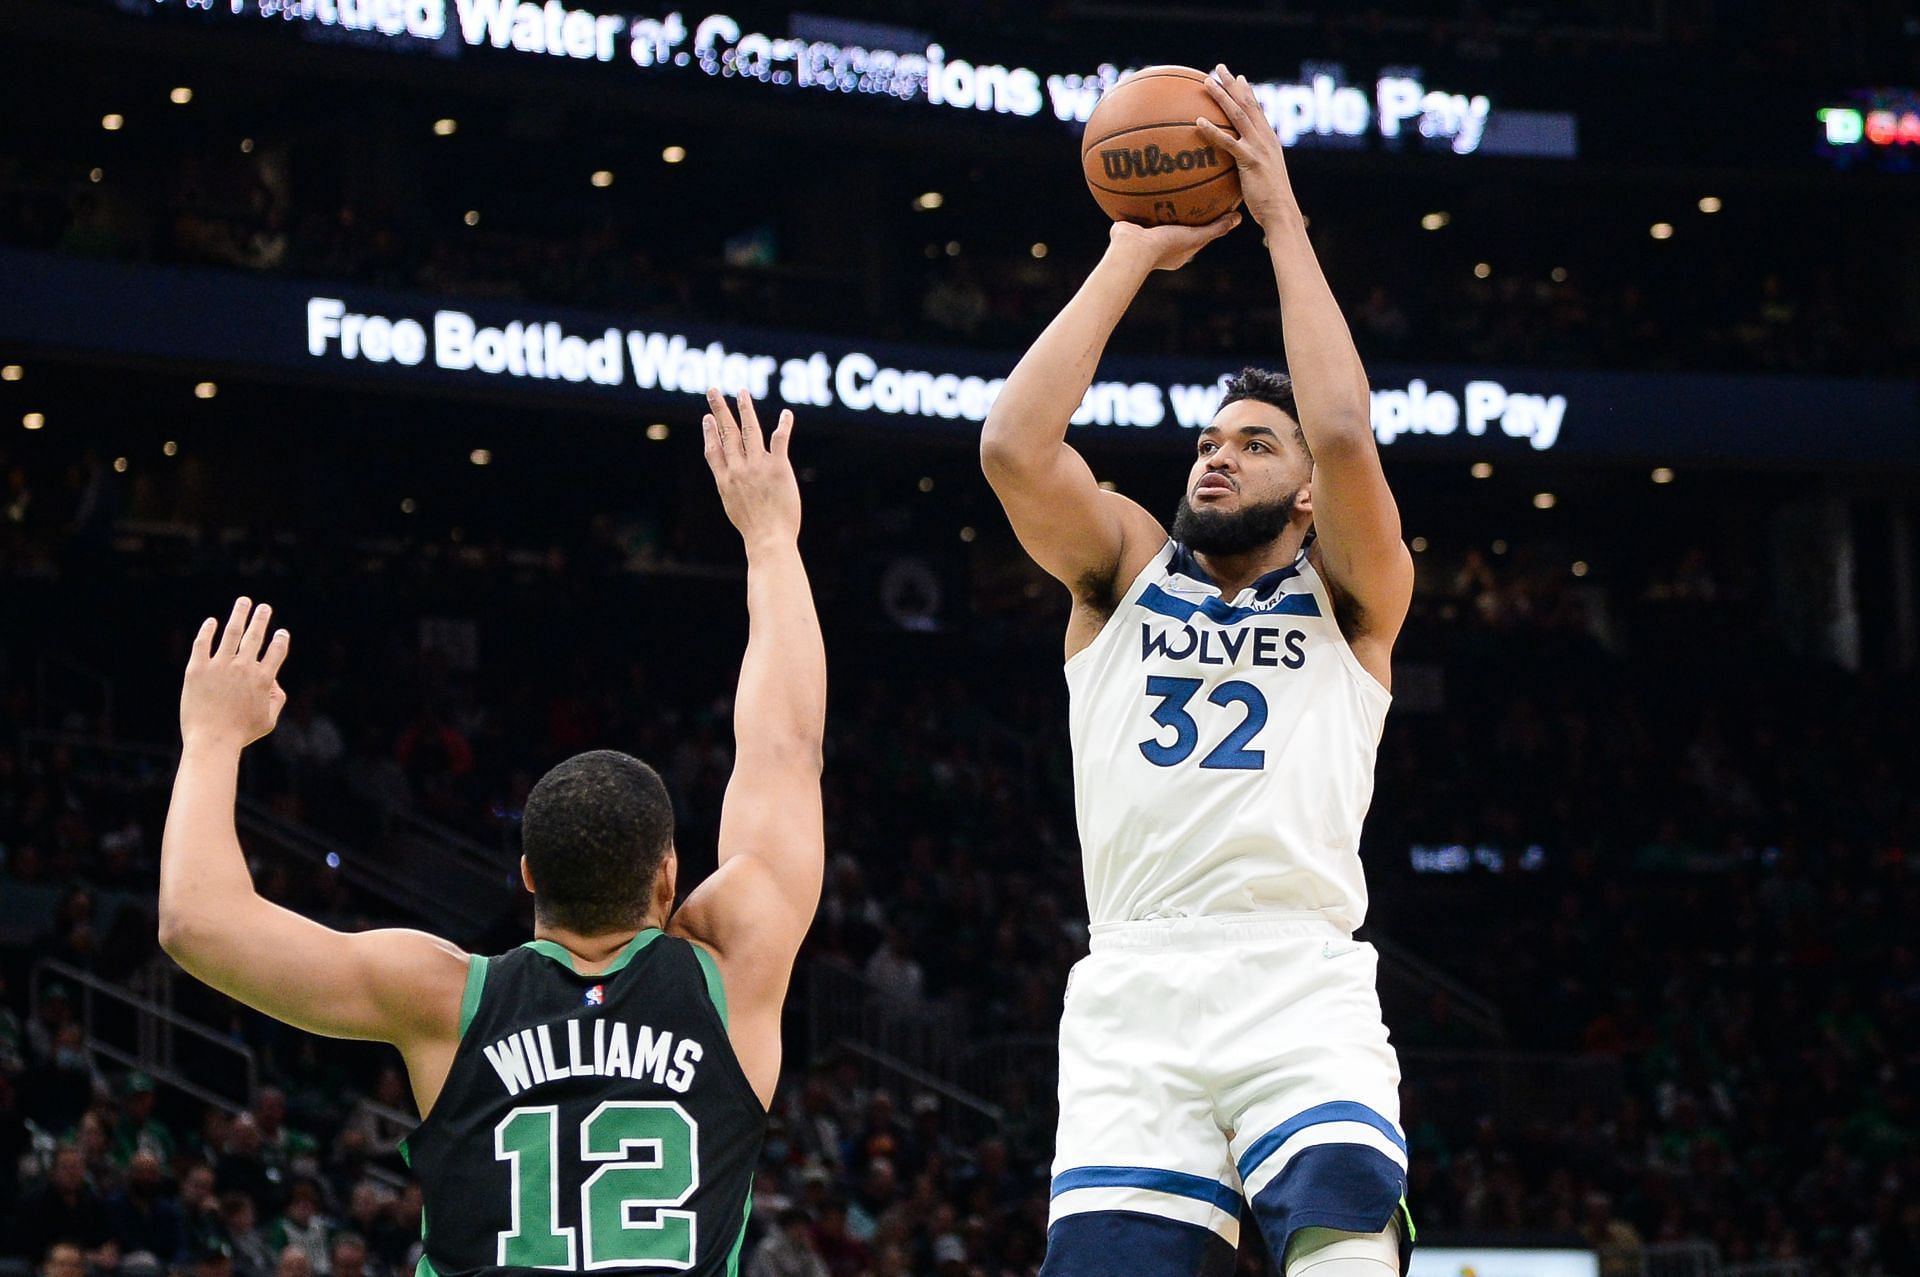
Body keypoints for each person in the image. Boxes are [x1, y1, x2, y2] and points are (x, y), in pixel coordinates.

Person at [158, 390, 826, 1276]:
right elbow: (784, 748)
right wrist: (771, 536)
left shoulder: (445, 997)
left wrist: (209, 738)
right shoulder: (731, 967)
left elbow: (195, 922)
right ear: (669, 877)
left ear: (526, 875)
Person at [980, 65, 1416, 1277]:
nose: (1218, 458)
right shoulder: (1122, 569)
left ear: (1309, 492)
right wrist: (1133, 251)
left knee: (1342, 1247)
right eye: (1210, 439)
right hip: (1135, 981)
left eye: (1252, 443)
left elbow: (1342, 429)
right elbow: (1014, 446)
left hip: (1296, 970)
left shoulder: (1352, 597)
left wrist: (1281, 221)